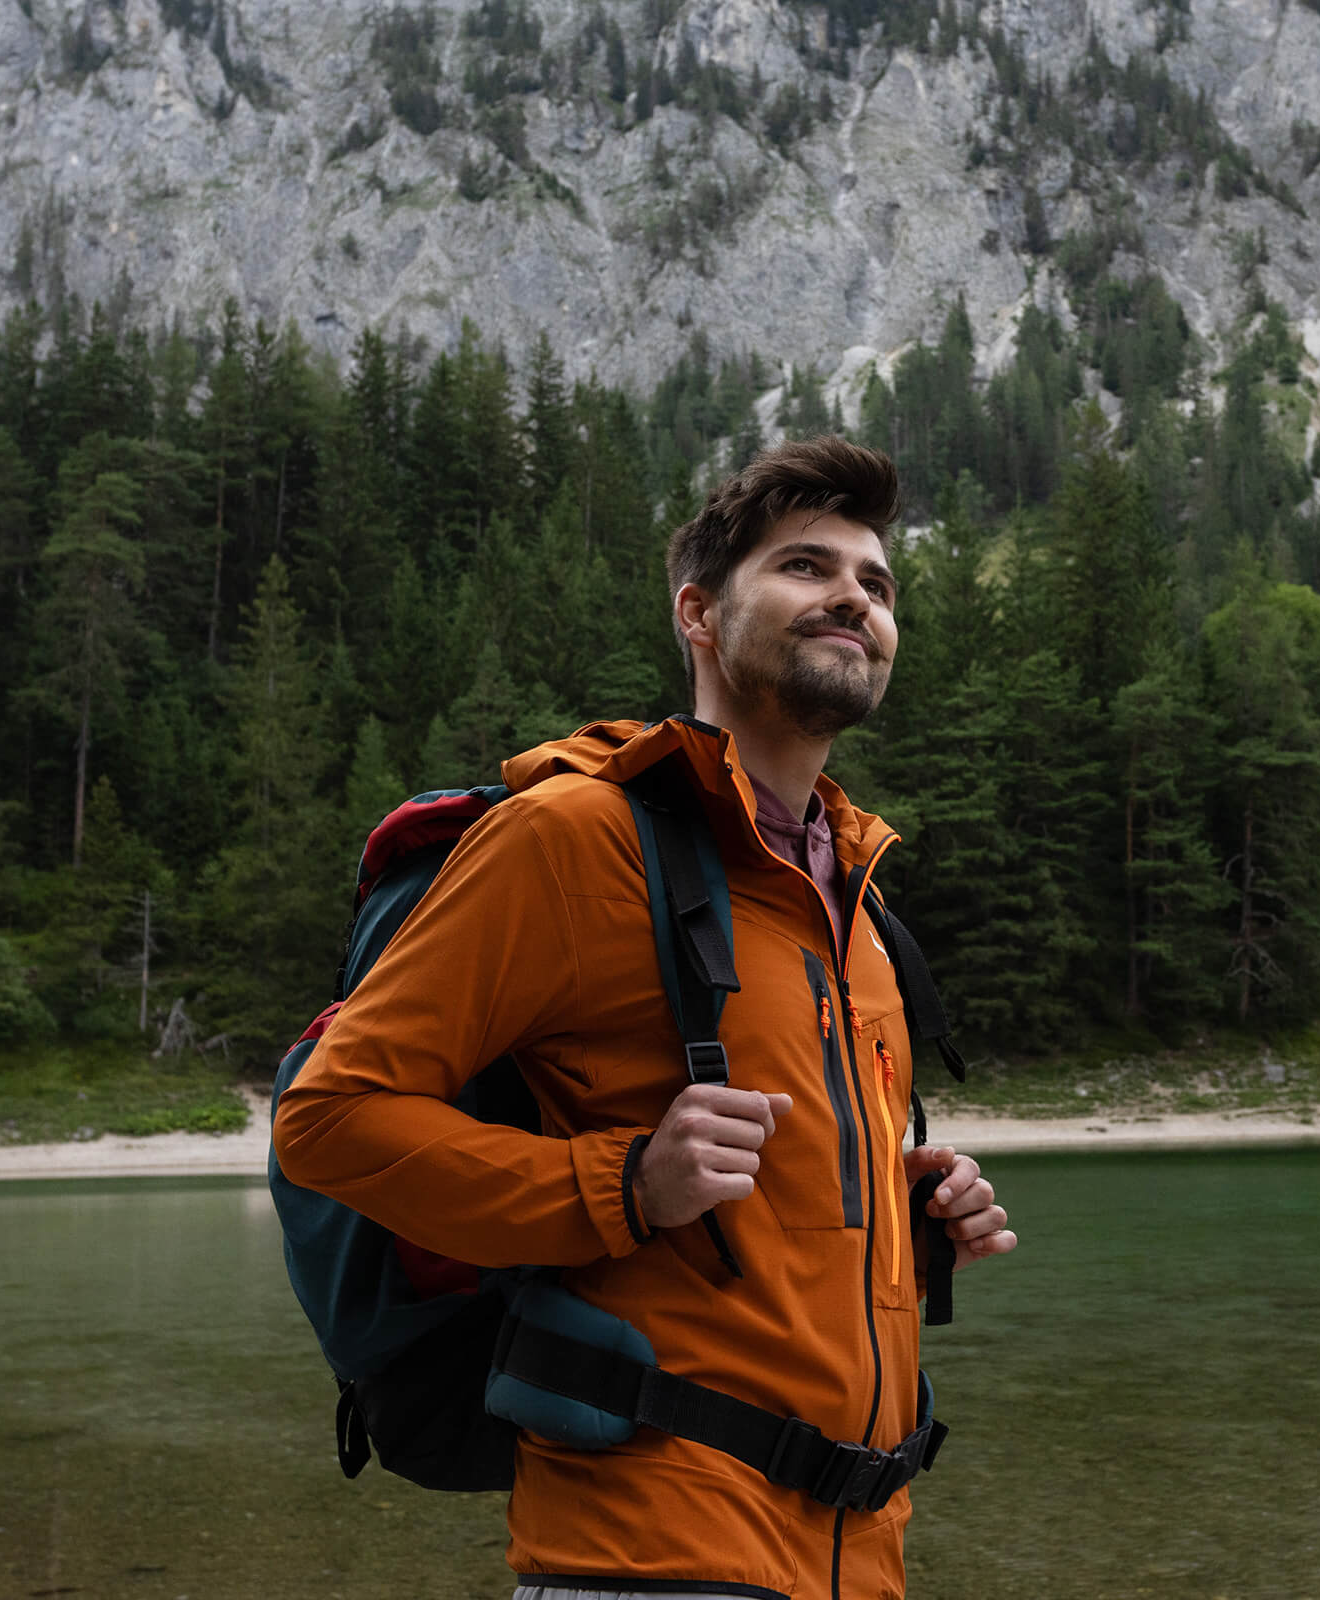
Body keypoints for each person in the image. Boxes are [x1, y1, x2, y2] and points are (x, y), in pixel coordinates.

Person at [272, 434, 1016, 1600]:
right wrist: (622, 1185)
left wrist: (904, 1211)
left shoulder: (856, 906)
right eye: (806, 567)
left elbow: (755, 1227)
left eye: (875, 583)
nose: (851, 599)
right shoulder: (573, 838)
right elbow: (325, 1121)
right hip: (651, 1553)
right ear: (699, 615)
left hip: (858, 1559)